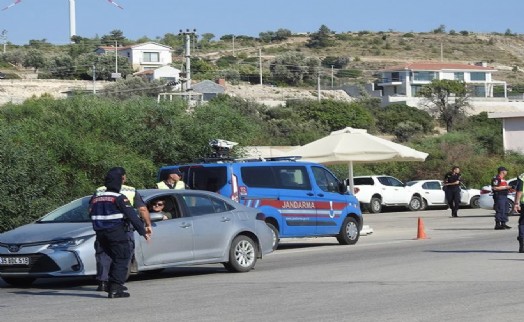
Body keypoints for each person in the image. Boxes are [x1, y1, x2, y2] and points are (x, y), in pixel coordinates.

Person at [89, 168, 150, 298]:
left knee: (112, 258)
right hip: (116, 232)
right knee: (122, 258)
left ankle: (110, 284)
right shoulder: (119, 198)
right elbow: (132, 215)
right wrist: (143, 231)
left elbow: (90, 212)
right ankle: (116, 288)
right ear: (118, 182)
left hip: (100, 234)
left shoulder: (96, 197)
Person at [492, 166, 512, 230]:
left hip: (504, 196)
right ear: (502, 171)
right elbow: (495, 188)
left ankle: (503, 223)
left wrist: (510, 188)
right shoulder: (496, 178)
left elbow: (503, 187)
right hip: (499, 196)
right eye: (506, 171)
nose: (506, 172)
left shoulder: (503, 179)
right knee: (500, 210)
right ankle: (497, 225)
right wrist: (506, 187)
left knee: (505, 209)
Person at [513, 173, 524, 252]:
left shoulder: (522, 177)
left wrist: (516, 203)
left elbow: (519, 191)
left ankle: (522, 244)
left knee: (522, 223)